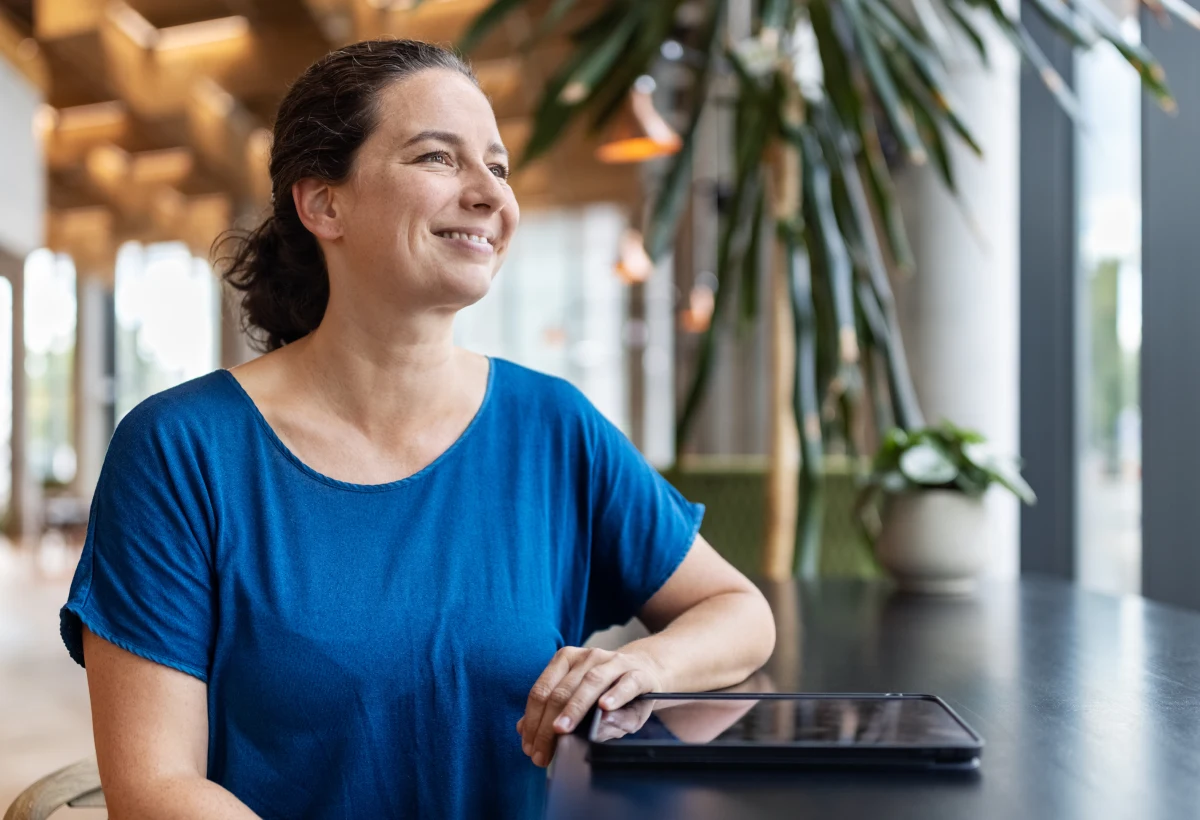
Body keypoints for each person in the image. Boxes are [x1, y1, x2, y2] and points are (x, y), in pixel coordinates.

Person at [59, 38, 776, 819]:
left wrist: (645, 664)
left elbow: (739, 613)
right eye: (438, 158)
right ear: (322, 203)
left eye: (497, 167)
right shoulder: (179, 452)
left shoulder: (553, 426)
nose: (490, 195)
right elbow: (155, 788)